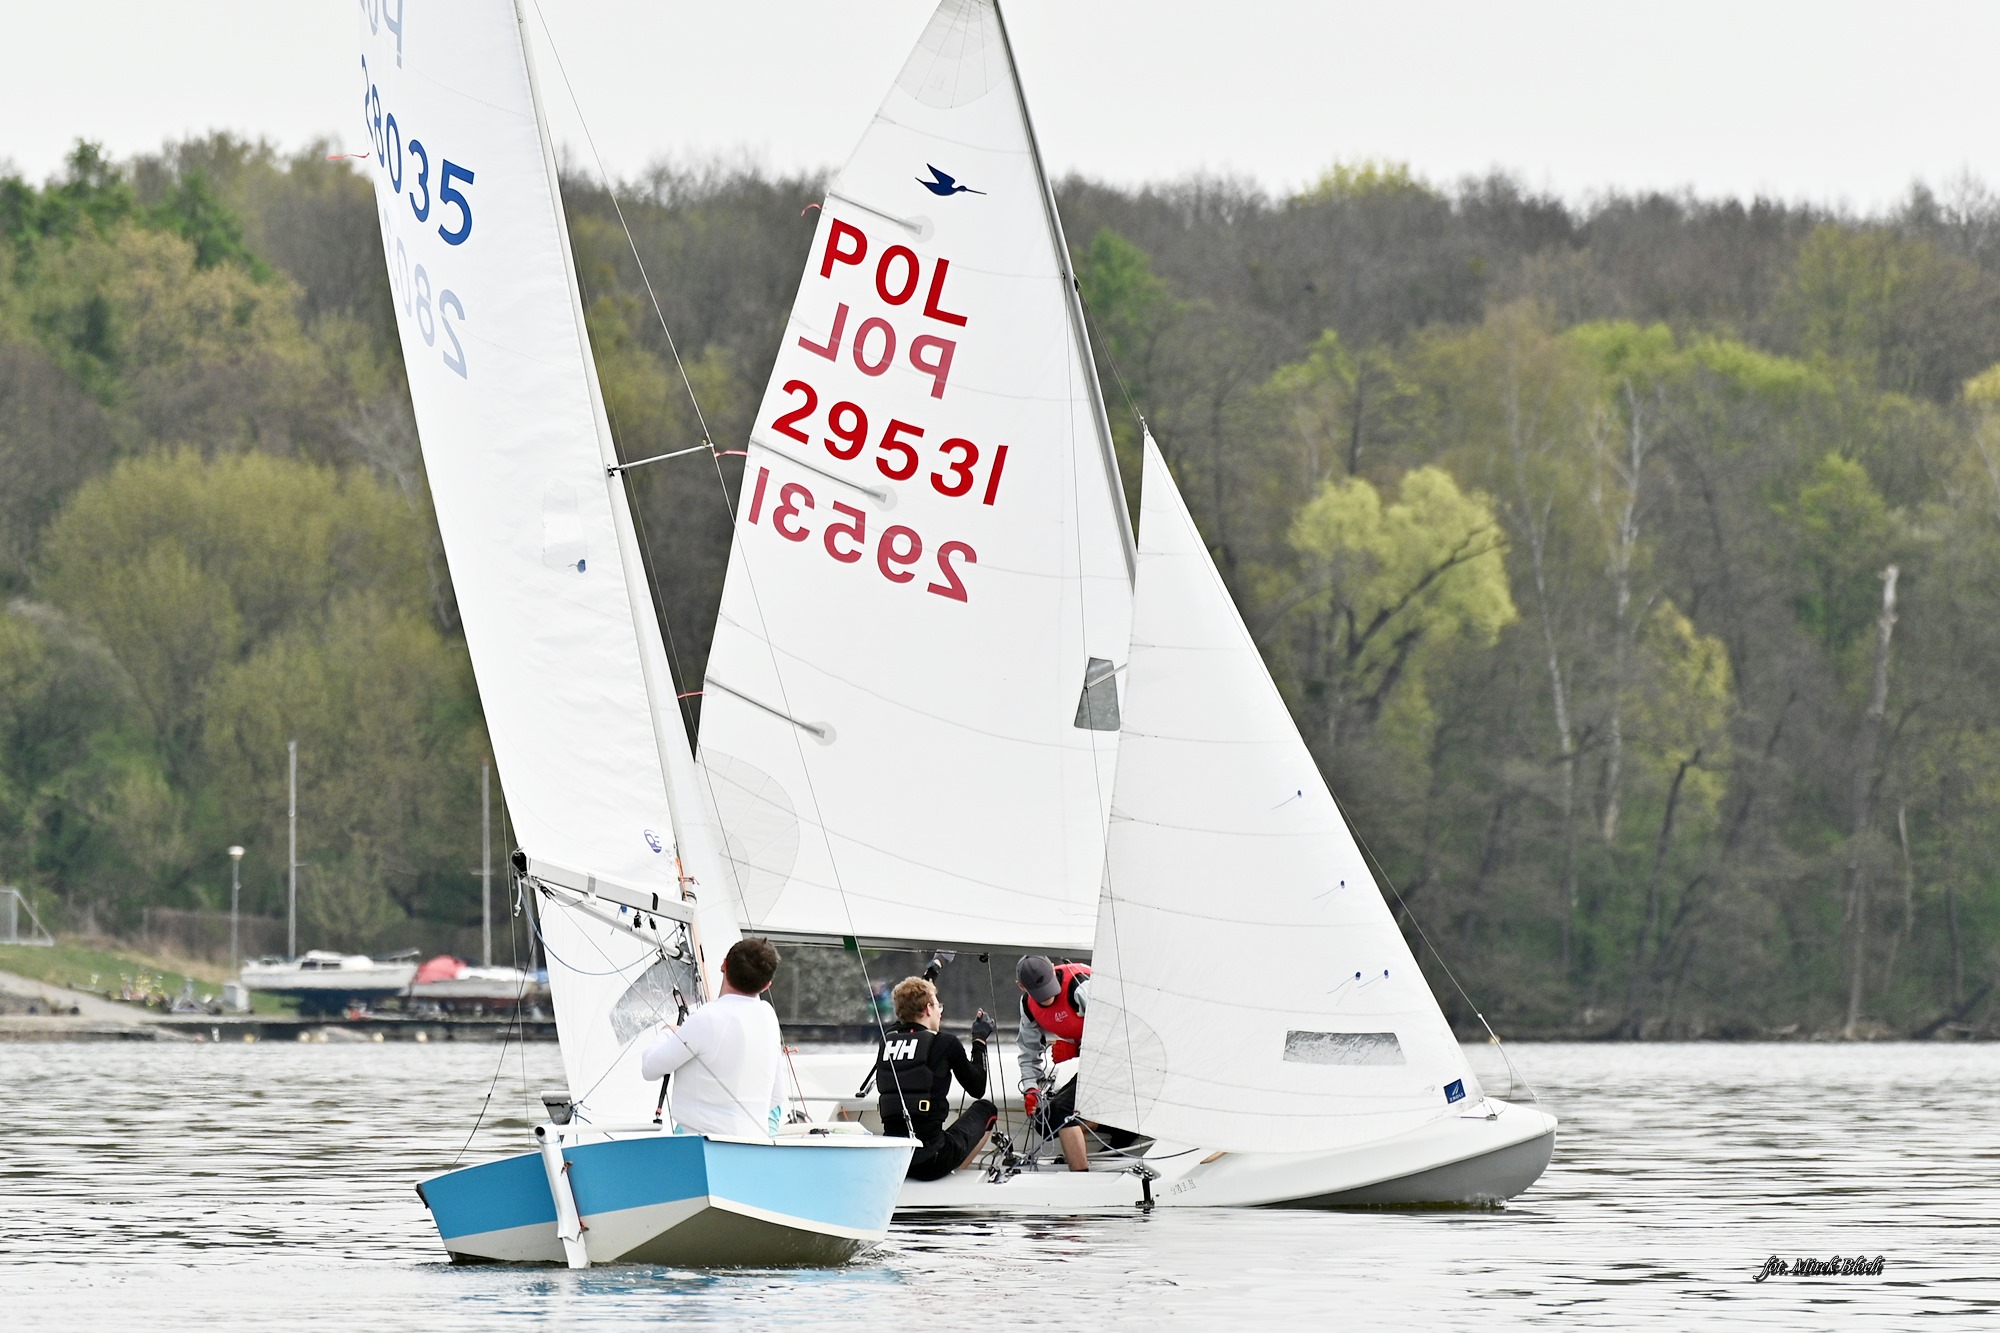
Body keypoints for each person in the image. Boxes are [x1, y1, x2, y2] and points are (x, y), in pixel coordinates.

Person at [639, 937, 790, 1138]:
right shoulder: (768, 1016)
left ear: (723, 965)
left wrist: (667, 1032)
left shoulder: (706, 1018)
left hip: (700, 1146)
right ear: (767, 985)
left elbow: (649, 1068)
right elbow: (777, 1096)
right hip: (754, 1144)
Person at [874, 976, 998, 1180]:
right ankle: (952, 1178)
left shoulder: (885, 1041)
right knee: (986, 1109)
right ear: (928, 1009)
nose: (940, 1011)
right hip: (932, 1161)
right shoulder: (946, 1043)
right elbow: (977, 1088)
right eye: (938, 1005)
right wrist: (979, 1041)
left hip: (895, 1160)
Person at [1016, 954, 1094, 1171]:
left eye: (1049, 987)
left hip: (1125, 1062)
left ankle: (1081, 1177)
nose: (1048, 997)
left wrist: (1076, 1050)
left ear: (1053, 968)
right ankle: (1116, 1131)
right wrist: (1031, 1088)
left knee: (1060, 1112)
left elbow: (1120, 1036)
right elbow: (1028, 1053)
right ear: (1021, 987)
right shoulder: (1028, 1006)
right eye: (1040, 993)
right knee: (1044, 1122)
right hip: (1096, 1066)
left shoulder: (1080, 988)